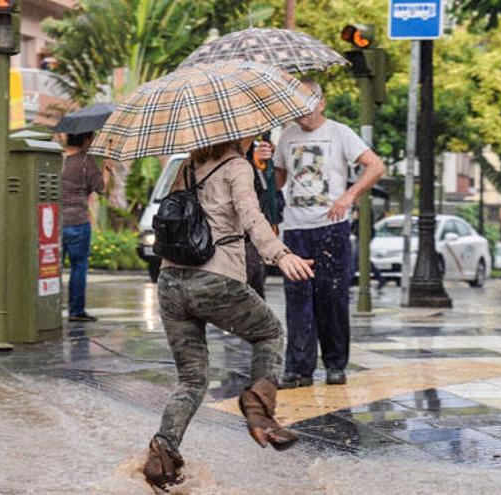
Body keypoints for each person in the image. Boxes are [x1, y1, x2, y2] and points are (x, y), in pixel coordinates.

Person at [144, 138, 315, 489]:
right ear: (237, 133)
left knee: (192, 379)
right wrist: (281, 255)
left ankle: (162, 454)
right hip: (215, 278)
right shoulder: (238, 166)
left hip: (171, 280)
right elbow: (251, 216)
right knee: (269, 333)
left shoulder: (186, 166)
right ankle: (258, 411)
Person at [274, 79, 386, 388]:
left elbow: (375, 166)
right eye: (297, 105)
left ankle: (336, 365)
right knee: (298, 300)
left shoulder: (340, 133)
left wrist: (349, 197)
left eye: (309, 104)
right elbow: (278, 183)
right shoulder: (286, 136)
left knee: (332, 298)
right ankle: (298, 368)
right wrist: (263, 164)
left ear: (322, 103)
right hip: (295, 229)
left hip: (331, 228)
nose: (304, 112)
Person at [61, 132, 106, 322]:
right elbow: (102, 188)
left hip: (52, 224)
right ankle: (76, 310)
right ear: (86, 140)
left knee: (50, 268)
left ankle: (47, 308)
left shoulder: (56, 158)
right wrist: (108, 167)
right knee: (78, 266)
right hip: (77, 222)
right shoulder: (85, 162)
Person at [244, 137, 282, 299]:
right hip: (229, 230)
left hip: (253, 229)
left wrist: (265, 166)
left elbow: (270, 190)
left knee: (253, 276)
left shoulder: (256, 148)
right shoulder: (222, 151)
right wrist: (254, 164)